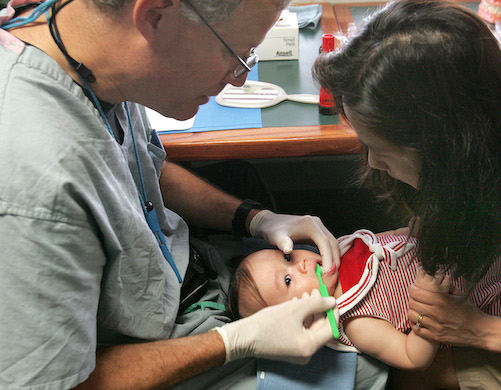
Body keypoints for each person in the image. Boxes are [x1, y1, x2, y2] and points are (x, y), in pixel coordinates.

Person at [0, 0, 344, 388]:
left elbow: (145, 168)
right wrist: (235, 341)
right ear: (154, 16)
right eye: (235, 53)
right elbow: (59, 382)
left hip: (191, 279)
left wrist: (253, 217)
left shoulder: (98, 59)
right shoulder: (29, 181)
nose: (239, 79)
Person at [312, 0, 501, 387]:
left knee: (402, 377)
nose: (376, 165)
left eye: (381, 151)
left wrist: (483, 331)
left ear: (447, 148)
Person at [227, 229, 501, 376]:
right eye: (289, 279)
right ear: (298, 319)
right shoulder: (355, 317)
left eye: (287, 257)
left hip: (486, 254)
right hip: (500, 303)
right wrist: (427, 311)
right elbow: (412, 357)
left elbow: (396, 239)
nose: (303, 262)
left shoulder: (342, 249)